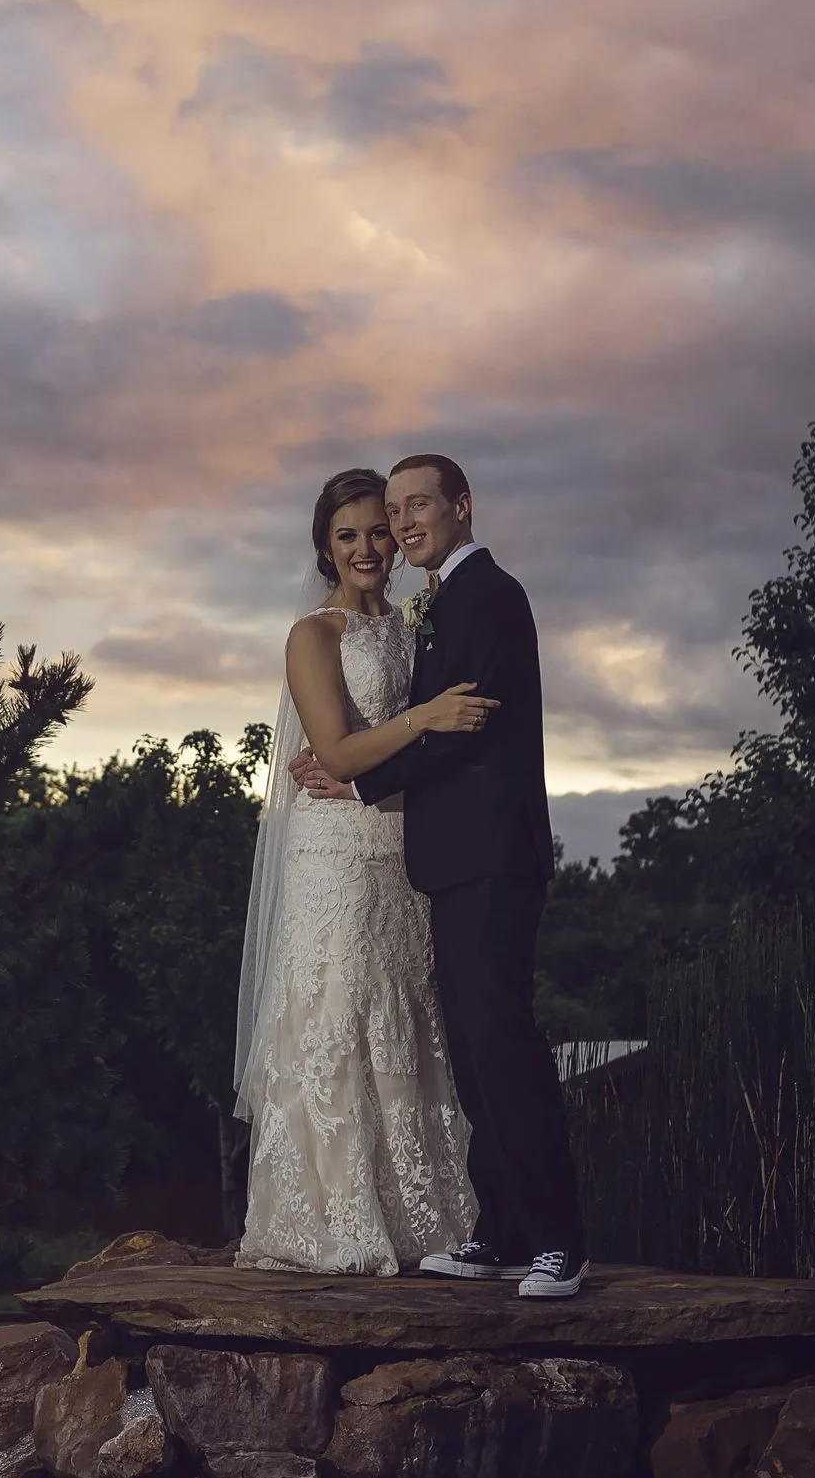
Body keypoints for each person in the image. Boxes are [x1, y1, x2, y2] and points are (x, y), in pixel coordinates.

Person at [292, 454, 588, 1297]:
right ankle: (499, 1232)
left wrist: (354, 778)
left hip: (494, 856)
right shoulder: (441, 604)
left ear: (461, 505)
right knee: (470, 1049)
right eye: (395, 509)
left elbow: (464, 731)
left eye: (416, 505)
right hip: (451, 862)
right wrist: (358, 770)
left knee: (504, 1043)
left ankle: (559, 1239)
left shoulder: (492, 595)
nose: (404, 522)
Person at [233, 467, 498, 1273]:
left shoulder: (416, 626)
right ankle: (334, 1219)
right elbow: (341, 750)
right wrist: (421, 717)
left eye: (377, 530)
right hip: (335, 859)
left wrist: (391, 752)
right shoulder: (313, 635)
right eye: (347, 535)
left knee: (410, 1019)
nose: (367, 547)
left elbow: (375, 758)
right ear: (325, 548)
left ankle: (429, 1218)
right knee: (339, 1017)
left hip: (401, 849)